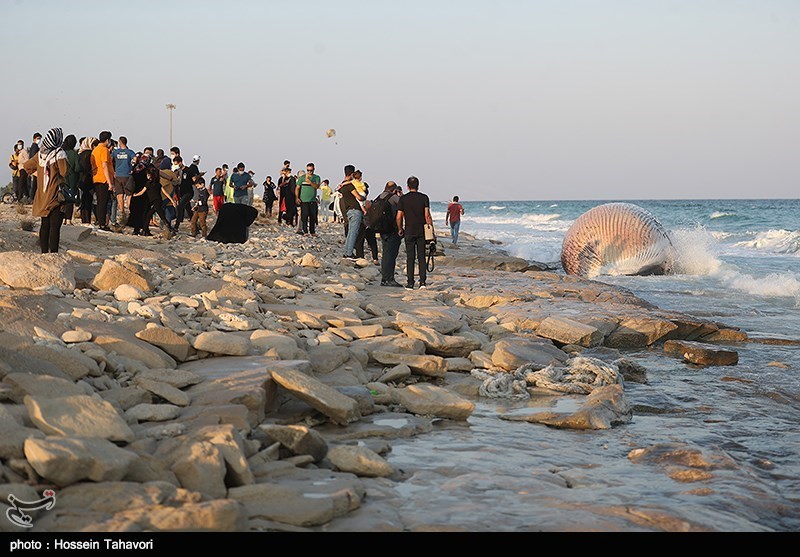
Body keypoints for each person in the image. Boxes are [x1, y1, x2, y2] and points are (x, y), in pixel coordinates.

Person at [22, 128, 66, 253]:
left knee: (44, 225)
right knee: (55, 226)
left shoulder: (40, 154)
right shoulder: (59, 153)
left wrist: (39, 175)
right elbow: (64, 172)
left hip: (42, 194)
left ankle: (44, 252)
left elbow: (26, 166)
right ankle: (54, 253)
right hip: (55, 194)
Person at [396, 175, 433, 289]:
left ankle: (410, 282)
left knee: (410, 257)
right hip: (421, 230)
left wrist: (400, 229)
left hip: (409, 230)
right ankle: (422, 282)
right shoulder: (424, 198)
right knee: (421, 256)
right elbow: (427, 215)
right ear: (418, 185)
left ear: (407, 186)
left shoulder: (403, 199)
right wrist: (431, 229)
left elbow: (399, 216)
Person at [377, 181, 403, 287]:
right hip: (392, 229)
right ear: (395, 189)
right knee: (391, 255)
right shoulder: (394, 197)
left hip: (382, 228)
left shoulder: (380, 196)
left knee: (385, 253)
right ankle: (389, 278)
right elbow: (403, 205)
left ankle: (384, 278)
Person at [339, 164, 365, 259]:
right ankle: (349, 253)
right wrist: (363, 197)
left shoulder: (342, 185)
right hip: (355, 210)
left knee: (350, 233)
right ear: (352, 173)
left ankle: (347, 251)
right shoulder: (350, 186)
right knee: (353, 232)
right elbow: (358, 197)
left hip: (348, 210)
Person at [90, 131, 115, 231]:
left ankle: (101, 222)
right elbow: (104, 165)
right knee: (103, 203)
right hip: (103, 178)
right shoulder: (104, 150)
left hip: (96, 178)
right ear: (107, 140)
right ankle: (102, 224)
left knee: (100, 202)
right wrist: (109, 182)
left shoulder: (95, 150)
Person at [110, 136, 136, 226]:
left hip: (118, 176)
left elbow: (110, 160)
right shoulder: (130, 152)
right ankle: (128, 211)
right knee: (129, 195)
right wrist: (131, 166)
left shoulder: (115, 152)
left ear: (120, 142)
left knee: (119, 195)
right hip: (127, 175)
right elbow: (135, 159)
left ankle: (121, 212)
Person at [296, 162, 320, 235]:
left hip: (312, 200)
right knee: (304, 215)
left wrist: (310, 182)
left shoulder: (316, 177)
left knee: (313, 216)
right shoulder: (302, 178)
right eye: (308, 170)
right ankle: (305, 230)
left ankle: (312, 231)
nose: (309, 172)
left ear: (314, 170)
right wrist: (297, 197)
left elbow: (317, 186)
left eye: (311, 170)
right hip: (304, 200)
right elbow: (297, 188)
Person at [173, 155, 196, 230]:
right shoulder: (177, 172)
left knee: (179, 207)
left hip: (188, 192)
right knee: (188, 208)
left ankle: (176, 226)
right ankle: (195, 225)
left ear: (180, 162)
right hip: (181, 193)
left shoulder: (188, 170)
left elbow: (194, 180)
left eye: (176, 164)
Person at [77, 137, 96, 224]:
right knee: (88, 200)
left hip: (81, 180)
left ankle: (83, 219)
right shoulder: (91, 154)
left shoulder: (80, 154)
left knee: (83, 201)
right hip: (88, 179)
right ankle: (87, 220)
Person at [62, 135, 80, 225]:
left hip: (61, 179)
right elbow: (77, 168)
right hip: (72, 179)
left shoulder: (61, 152)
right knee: (70, 199)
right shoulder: (73, 154)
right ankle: (68, 219)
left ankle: (61, 218)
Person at [28, 132, 42, 200]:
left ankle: (33, 197)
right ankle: (32, 198)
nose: (39, 140)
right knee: (35, 184)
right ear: (34, 139)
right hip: (35, 168)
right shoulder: (34, 147)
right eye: (38, 138)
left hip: (34, 167)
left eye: (40, 139)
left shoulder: (34, 146)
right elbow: (34, 157)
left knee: (35, 183)